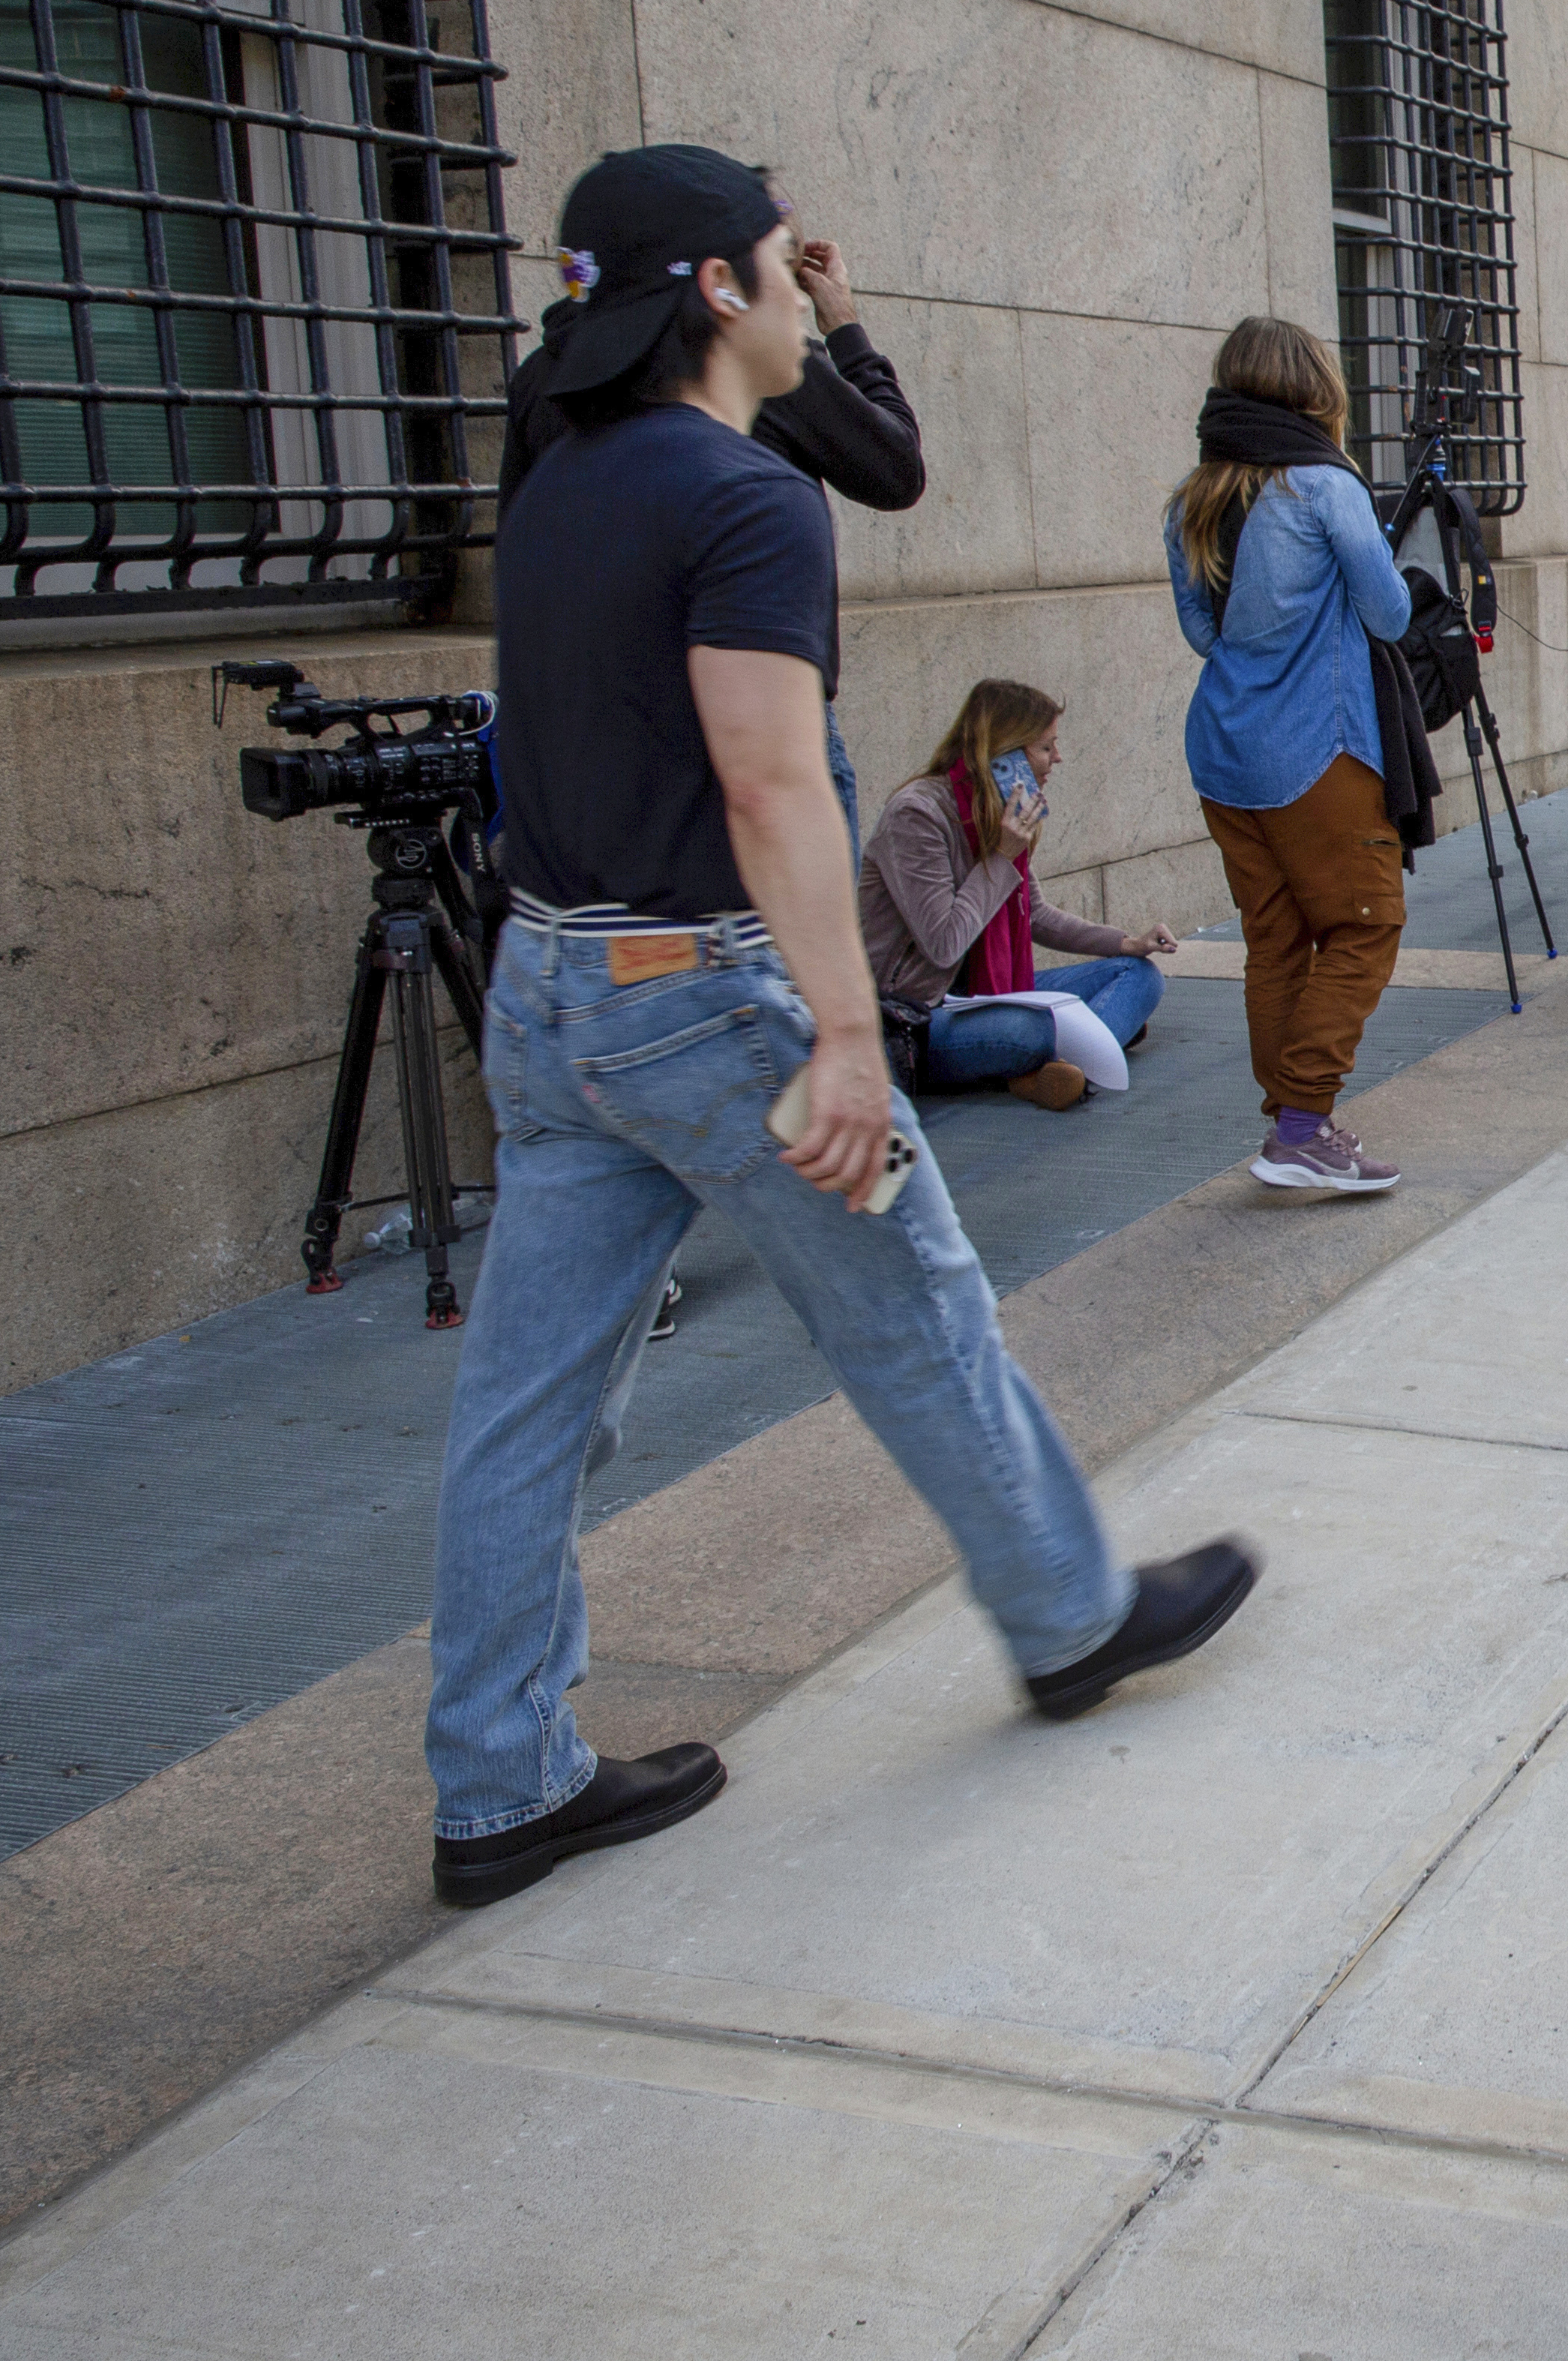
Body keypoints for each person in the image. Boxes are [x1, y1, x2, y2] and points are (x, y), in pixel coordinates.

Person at [433, 146, 1252, 1909]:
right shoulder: (737, 498)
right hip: (701, 996)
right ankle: (1068, 1616)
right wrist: (845, 1034)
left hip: (549, 989)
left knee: (525, 1405)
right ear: (720, 293)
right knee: (917, 1313)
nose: (814, 293)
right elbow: (767, 779)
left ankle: (498, 1777)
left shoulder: (560, 470)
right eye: (782, 270)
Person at [502, 210, 924, 854]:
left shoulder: (544, 376)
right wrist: (842, 325)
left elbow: (519, 557)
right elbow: (895, 471)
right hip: (754, 730)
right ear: (720, 280)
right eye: (781, 264)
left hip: (595, 736)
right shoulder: (760, 371)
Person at [1169, 316, 1417, 1196]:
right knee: (1364, 924)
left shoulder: (1195, 496)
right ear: (1314, 386)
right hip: (1318, 746)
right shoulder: (1322, 484)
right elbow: (1390, 615)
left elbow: (1203, 632)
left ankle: (1291, 1127)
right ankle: (1303, 1126)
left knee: (1274, 940)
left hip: (1223, 749)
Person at [858, 679, 1180, 1109]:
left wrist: (1127, 942)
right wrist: (1001, 859)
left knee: (1139, 975)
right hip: (916, 1013)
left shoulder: (997, 806)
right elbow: (943, 944)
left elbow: (1039, 915)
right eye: (1046, 747)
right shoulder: (917, 815)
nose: (1058, 758)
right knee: (1031, 1032)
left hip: (985, 995)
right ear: (1004, 752)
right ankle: (1069, 1055)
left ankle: (1048, 1069)